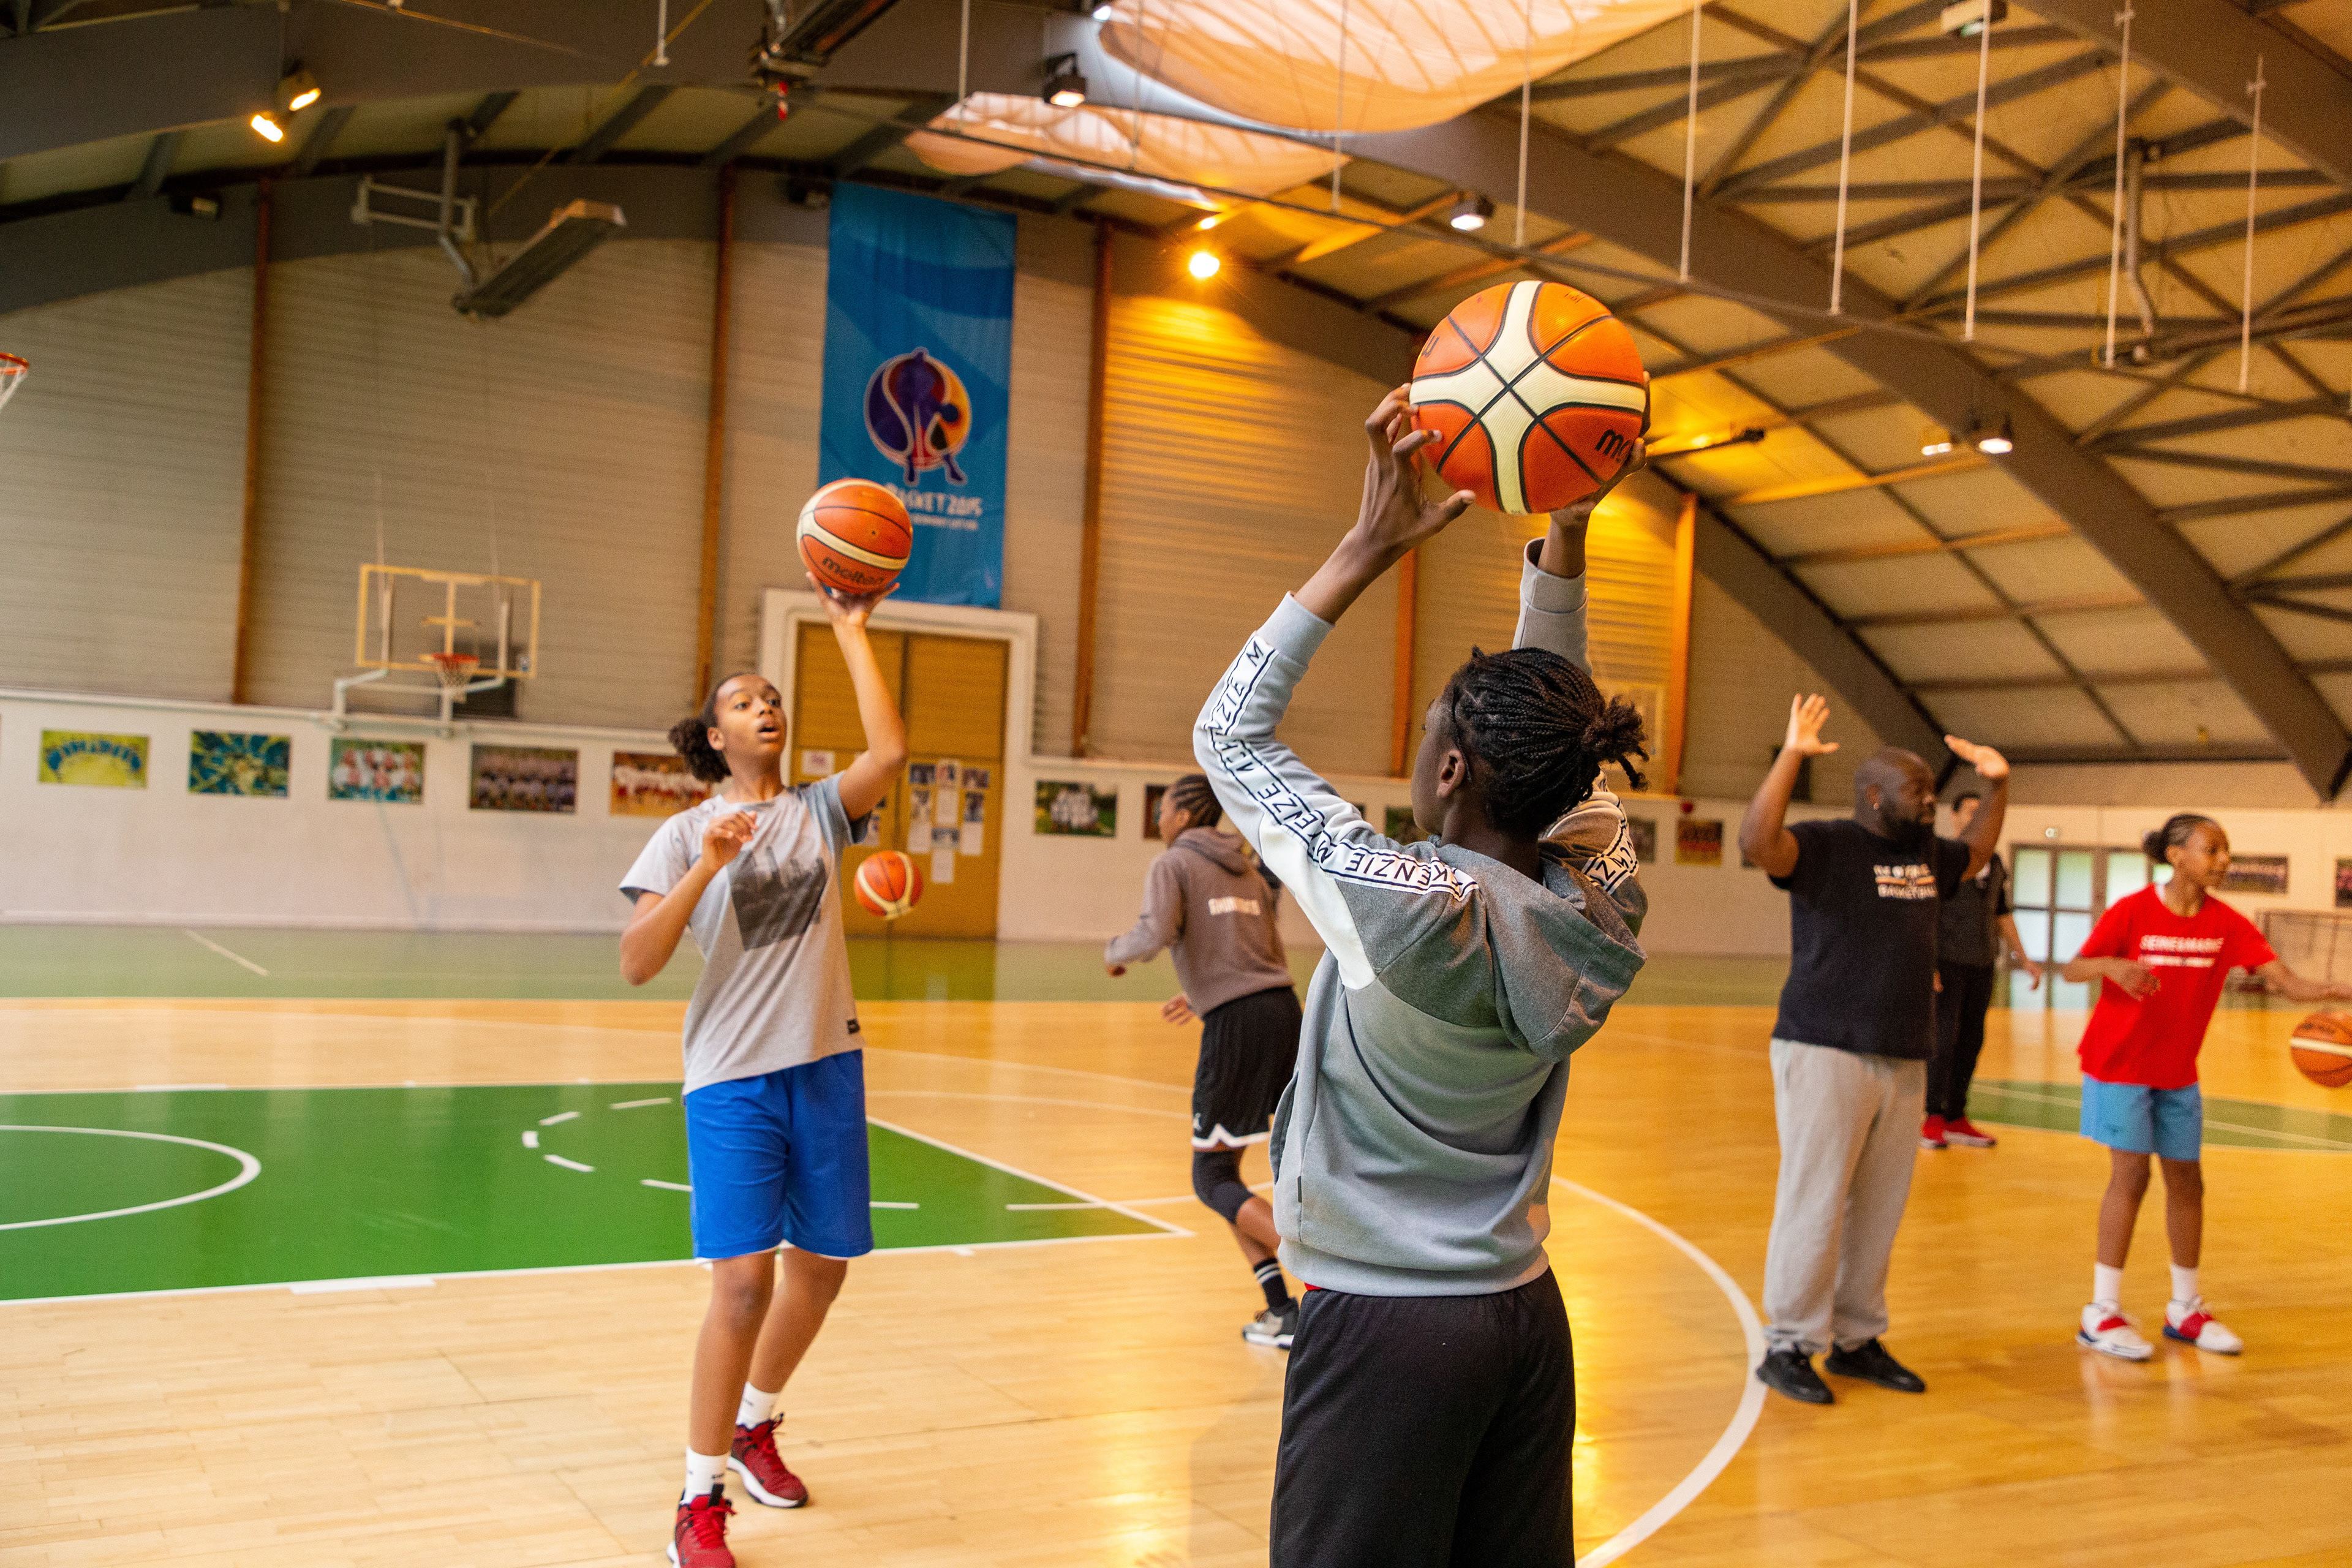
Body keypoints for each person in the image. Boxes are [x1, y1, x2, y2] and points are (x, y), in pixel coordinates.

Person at [1198, 388, 1651, 1568]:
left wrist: (1363, 549)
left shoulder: (1396, 904)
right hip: (1523, 1315)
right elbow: (1558, 759)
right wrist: (1566, 536)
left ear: (1449, 770)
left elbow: (1228, 738)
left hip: (1388, 1331)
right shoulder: (1603, 896)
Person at [617, 578, 908, 1568]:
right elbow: (637, 961)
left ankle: (755, 1424)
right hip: (731, 1077)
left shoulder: (821, 811)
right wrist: (708, 862)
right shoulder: (680, 833)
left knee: (820, 1272)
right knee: (742, 1284)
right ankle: (697, 1500)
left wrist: (850, 628)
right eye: (744, 702)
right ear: (717, 736)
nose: (765, 707)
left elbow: (890, 755)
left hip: (826, 1063)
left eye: (774, 697)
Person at [1738, 703, 2009, 1406]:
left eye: (1931, 791)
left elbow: (1978, 853)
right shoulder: (1828, 845)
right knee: (1816, 1201)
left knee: (1880, 1208)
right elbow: (1757, 840)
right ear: (1874, 795)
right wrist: (1792, 756)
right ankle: (1789, 1342)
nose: (1930, 801)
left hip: (1904, 1053)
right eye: (1917, 791)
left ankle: (1856, 1338)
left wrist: (1999, 786)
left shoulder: (1929, 856)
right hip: (1825, 1048)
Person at [2064, 813, 2352, 1361]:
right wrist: (2114, 968)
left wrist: (2341, 989)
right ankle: (2100, 1312)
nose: (2223, 860)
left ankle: (2185, 1308)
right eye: (2212, 849)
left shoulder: (2227, 923)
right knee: (2131, 1177)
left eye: (2226, 851)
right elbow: (2073, 969)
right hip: (2119, 1064)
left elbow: (2289, 985)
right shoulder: (2132, 910)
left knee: (2188, 1183)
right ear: (2176, 855)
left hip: (2177, 1070)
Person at [1104, 774, 1304, 1348]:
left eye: (1163, 808)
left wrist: (1114, 954)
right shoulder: (1247, 870)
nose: (1159, 818)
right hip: (1283, 1014)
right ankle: (1281, 1312)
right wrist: (1201, 993)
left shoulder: (1173, 864)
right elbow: (1260, 951)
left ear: (1184, 814)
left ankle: (1327, 1278)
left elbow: (1154, 933)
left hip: (1238, 1027)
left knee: (1211, 1178)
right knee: (1226, 1180)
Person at [1923, 790, 2043, 1150]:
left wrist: (2024, 957)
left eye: (1983, 812)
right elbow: (1923, 913)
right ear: (1954, 817)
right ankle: (1931, 1116)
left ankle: (1956, 1116)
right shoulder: (1940, 857)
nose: (1978, 818)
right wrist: (1928, 962)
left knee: (1971, 1040)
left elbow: (2001, 913)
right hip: (1947, 961)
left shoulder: (1996, 862)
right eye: (1970, 812)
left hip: (1983, 962)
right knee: (1944, 1040)